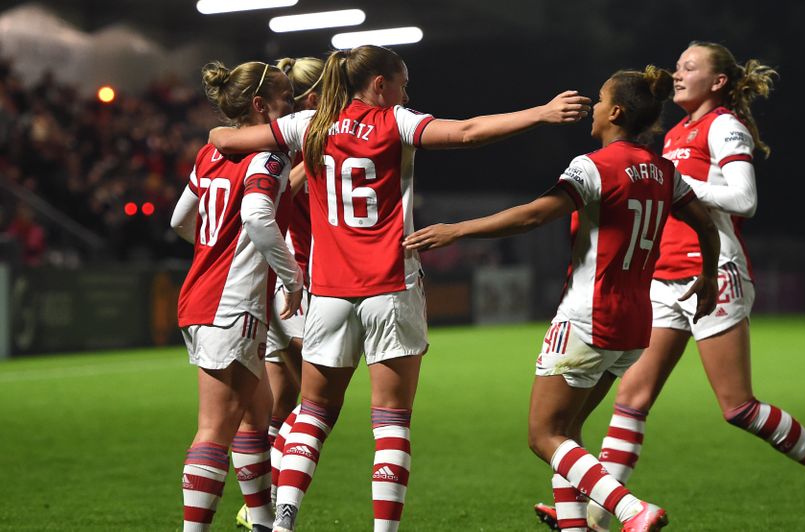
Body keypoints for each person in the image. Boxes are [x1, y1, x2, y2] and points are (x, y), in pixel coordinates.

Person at [209, 44, 591, 532]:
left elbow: (229, 141)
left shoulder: (310, 126)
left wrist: (216, 131)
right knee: (390, 421)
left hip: (327, 294)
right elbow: (469, 133)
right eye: (403, 83)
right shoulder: (397, 121)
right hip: (390, 285)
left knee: (312, 414)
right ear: (380, 85)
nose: (406, 92)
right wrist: (541, 113)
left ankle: (281, 524)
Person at [543, 42, 805, 532]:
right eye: (677, 65)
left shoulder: (724, 126)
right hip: (665, 277)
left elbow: (744, 198)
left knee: (739, 407)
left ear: (717, 82)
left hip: (713, 274)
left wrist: (675, 187)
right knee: (632, 398)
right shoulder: (675, 131)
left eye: (689, 67)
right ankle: (599, 516)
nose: (677, 72)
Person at [404, 66, 720, 532]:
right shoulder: (662, 171)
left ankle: (632, 510)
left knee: (543, 434)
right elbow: (707, 224)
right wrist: (709, 276)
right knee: (568, 434)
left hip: (588, 318)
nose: (591, 107)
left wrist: (458, 229)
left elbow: (534, 216)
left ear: (615, 112)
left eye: (598, 99)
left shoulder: (593, 165)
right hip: (634, 324)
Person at [171, 59, 302, 532]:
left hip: (200, 298)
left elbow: (179, 222)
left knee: (255, 416)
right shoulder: (266, 158)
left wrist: (214, 248)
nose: (292, 107)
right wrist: (292, 278)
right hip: (233, 303)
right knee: (215, 429)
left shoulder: (209, 157)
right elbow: (259, 218)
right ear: (260, 105)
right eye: (286, 99)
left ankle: (263, 522)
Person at [236, 55, 326, 532]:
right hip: (296, 281)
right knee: (319, 400)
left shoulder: (292, 139)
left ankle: (257, 506)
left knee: (284, 396)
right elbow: (273, 201)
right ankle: (270, 509)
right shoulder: (304, 141)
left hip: (276, 280)